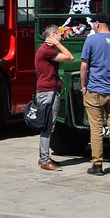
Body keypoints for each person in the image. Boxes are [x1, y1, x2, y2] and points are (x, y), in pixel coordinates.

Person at [79, 12, 110, 176]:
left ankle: (97, 165)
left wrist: (83, 87)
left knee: (96, 129)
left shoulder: (91, 40)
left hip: (95, 90)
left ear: (97, 23)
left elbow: (83, 67)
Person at [33, 24, 74, 171]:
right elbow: (70, 57)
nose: (61, 37)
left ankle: (44, 157)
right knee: (48, 126)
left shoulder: (45, 50)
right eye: (59, 35)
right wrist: (58, 44)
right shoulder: (47, 50)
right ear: (53, 35)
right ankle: (44, 160)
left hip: (46, 90)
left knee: (47, 125)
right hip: (48, 91)